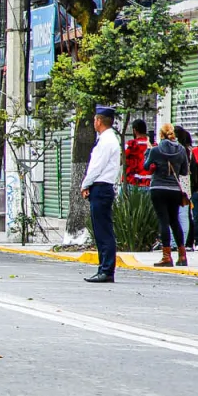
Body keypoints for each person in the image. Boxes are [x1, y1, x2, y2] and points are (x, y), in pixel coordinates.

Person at [81, 105, 121, 282]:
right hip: (102, 187)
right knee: (100, 230)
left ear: (99, 121)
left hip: (101, 187)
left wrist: (85, 184)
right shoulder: (107, 139)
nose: (93, 123)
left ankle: (106, 270)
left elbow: (96, 166)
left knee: (103, 230)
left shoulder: (107, 141)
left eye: (95, 120)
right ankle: (103, 268)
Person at [144, 123, 190, 267]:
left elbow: (146, 167)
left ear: (161, 135)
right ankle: (182, 256)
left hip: (158, 188)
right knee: (174, 221)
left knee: (163, 221)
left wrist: (149, 151)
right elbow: (184, 171)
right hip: (175, 190)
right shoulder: (181, 149)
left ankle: (166, 256)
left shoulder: (156, 150)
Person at [122, 118, 152, 187]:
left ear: (134, 130)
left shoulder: (131, 144)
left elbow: (121, 160)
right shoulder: (153, 145)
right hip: (148, 182)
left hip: (132, 182)